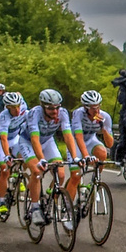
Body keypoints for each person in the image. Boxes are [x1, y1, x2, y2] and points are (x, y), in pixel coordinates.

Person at [18, 89, 82, 225]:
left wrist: (75, 157)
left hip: (47, 141)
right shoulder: (34, 114)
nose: (55, 112)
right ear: (43, 106)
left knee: (61, 174)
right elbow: (34, 139)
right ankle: (34, 208)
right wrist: (41, 159)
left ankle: (47, 195)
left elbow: (68, 136)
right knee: (36, 171)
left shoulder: (63, 113)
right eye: (51, 108)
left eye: (57, 107)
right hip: (28, 142)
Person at [0, 91, 27, 215]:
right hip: (1, 140)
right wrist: (7, 155)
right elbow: (3, 138)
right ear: (7, 108)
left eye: (18, 106)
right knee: (4, 170)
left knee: (27, 158)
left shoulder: (24, 107)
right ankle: (2, 201)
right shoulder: (3, 116)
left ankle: (18, 175)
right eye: (13, 108)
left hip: (15, 138)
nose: (17, 110)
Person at [69, 91, 114, 168]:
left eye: (98, 107)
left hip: (91, 140)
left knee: (102, 153)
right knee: (76, 175)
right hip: (75, 142)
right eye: (93, 108)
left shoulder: (105, 116)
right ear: (86, 107)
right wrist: (86, 156)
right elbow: (78, 137)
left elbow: (109, 144)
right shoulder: (78, 114)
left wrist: (103, 127)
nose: (96, 111)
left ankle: (96, 178)